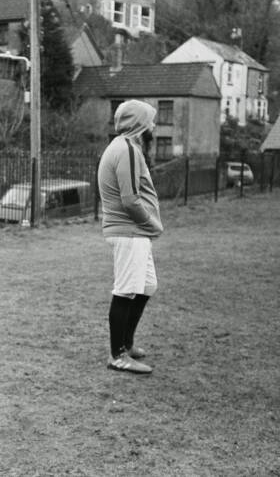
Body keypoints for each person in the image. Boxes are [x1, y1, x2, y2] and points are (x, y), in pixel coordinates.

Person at [97, 99, 163, 374]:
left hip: (132, 232)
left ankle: (127, 343)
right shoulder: (127, 150)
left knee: (146, 286)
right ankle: (118, 355)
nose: (153, 126)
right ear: (139, 125)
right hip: (130, 231)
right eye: (150, 121)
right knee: (125, 291)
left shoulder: (126, 148)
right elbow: (130, 199)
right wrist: (151, 225)